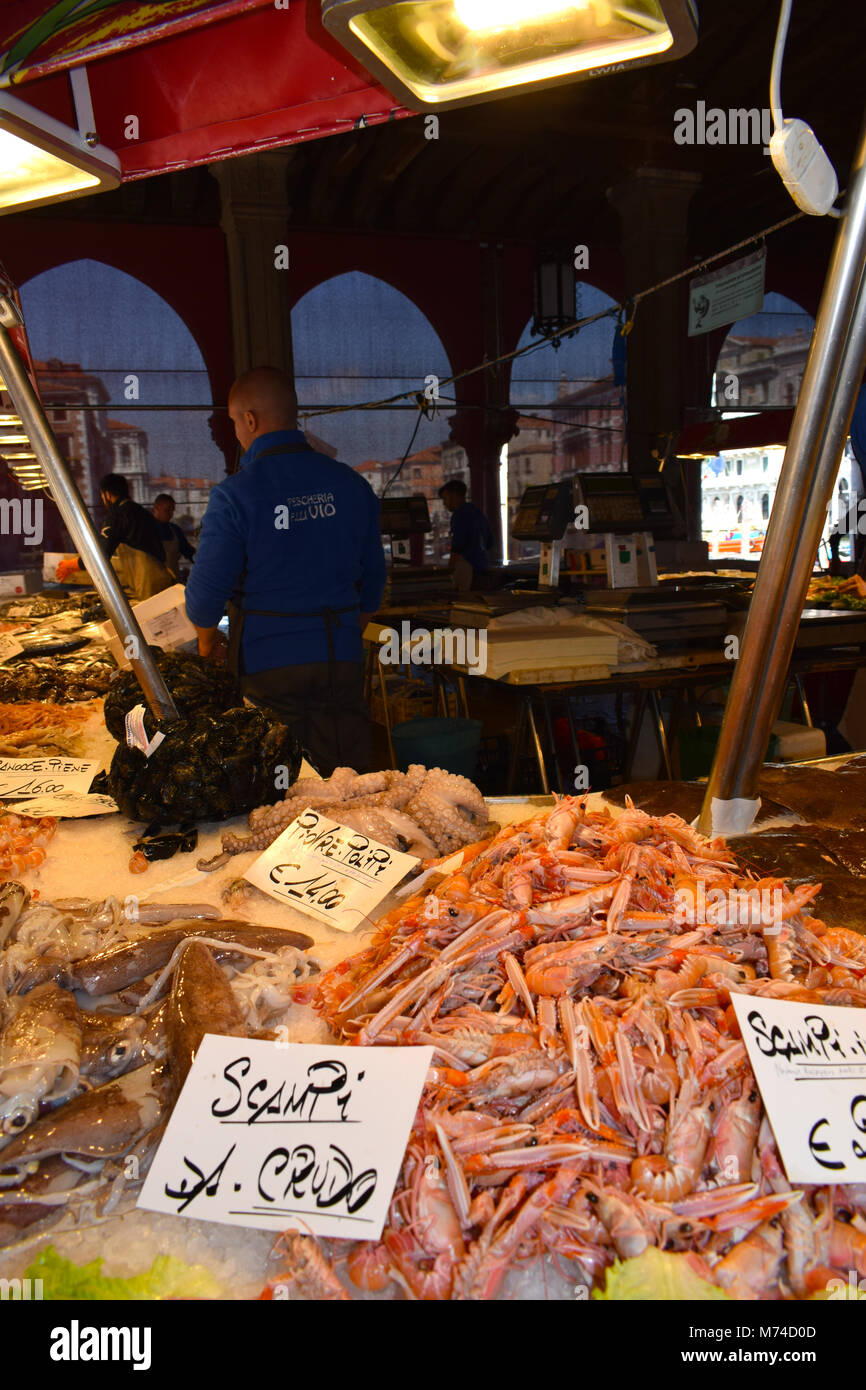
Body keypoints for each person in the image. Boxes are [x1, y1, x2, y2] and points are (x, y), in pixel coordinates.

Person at [185, 366, 387, 775]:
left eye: (234, 424)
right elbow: (374, 585)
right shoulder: (351, 484)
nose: (237, 435)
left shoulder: (235, 495)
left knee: (281, 790)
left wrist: (207, 644)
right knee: (349, 784)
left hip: (268, 668)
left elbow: (204, 601)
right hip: (341, 662)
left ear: (250, 420)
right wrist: (340, 629)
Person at [55, 473, 174, 601]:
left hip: (148, 583)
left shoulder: (117, 515)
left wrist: (72, 564)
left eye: (101, 495)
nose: (102, 499)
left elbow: (101, 555)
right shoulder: (139, 510)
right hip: (162, 579)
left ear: (107, 494)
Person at [438, 477, 494, 590]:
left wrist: (449, 571)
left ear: (454, 495)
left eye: (445, 498)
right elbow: (490, 542)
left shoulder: (459, 515)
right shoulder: (477, 512)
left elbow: (457, 546)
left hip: (468, 571)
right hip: (483, 569)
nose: (444, 503)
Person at [152, 493, 195, 581]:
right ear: (156, 508)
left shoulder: (175, 530)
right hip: (152, 583)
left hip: (172, 581)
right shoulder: (145, 530)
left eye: (172, 510)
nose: (171, 514)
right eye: (167, 510)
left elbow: (188, 552)